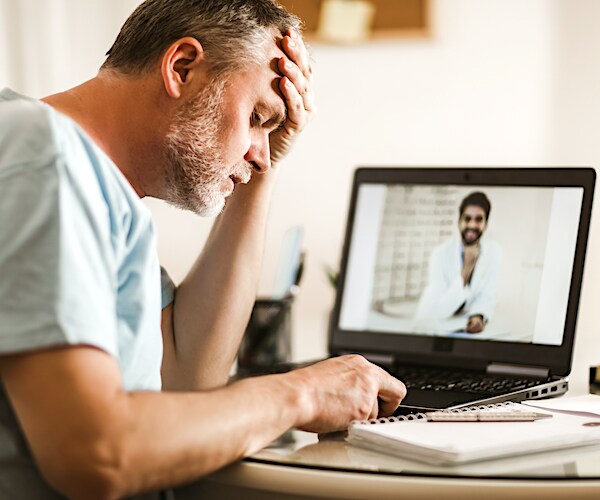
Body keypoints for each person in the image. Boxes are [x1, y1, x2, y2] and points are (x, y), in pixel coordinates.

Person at [0, 1, 406, 498]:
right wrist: (302, 394)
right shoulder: (45, 159)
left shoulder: (97, 187)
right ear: (182, 68)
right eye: (258, 116)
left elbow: (187, 381)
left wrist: (265, 166)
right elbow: (95, 451)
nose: (258, 150)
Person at [414, 192, 501, 334]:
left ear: (486, 224)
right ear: (459, 221)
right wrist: (467, 268)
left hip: (462, 327)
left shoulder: (493, 252)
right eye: (467, 219)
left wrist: (478, 316)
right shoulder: (440, 254)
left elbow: (487, 294)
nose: (472, 225)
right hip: (432, 327)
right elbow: (441, 310)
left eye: (479, 219)